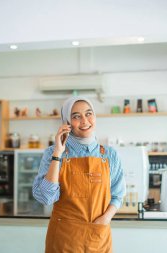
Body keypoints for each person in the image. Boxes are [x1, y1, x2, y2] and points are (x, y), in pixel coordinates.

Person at [32, 96, 126, 253]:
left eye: (89, 113)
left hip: (99, 238)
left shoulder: (109, 155)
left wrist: (106, 219)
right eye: (76, 116)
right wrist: (57, 153)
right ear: (67, 123)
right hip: (64, 240)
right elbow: (46, 198)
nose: (84, 120)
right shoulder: (52, 153)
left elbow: (117, 195)